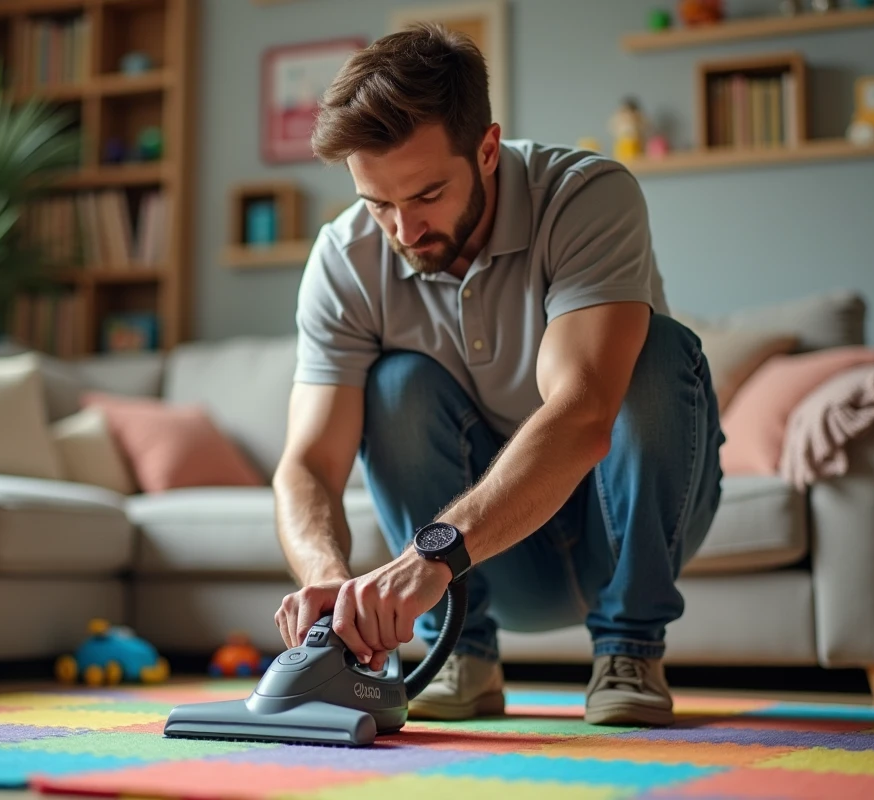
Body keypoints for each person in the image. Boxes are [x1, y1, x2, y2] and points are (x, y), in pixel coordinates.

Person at [270, 23, 724, 727]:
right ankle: (462, 654)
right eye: (378, 203)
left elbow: (583, 412)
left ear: (487, 149)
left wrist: (432, 553)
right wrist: (328, 581)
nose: (404, 230)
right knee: (393, 384)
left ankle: (631, 647)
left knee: (657, 350)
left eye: (425, 195)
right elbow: (307, 464)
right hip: (489, 568)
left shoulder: (586, 196)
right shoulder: (344, 259)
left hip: (626, 529)